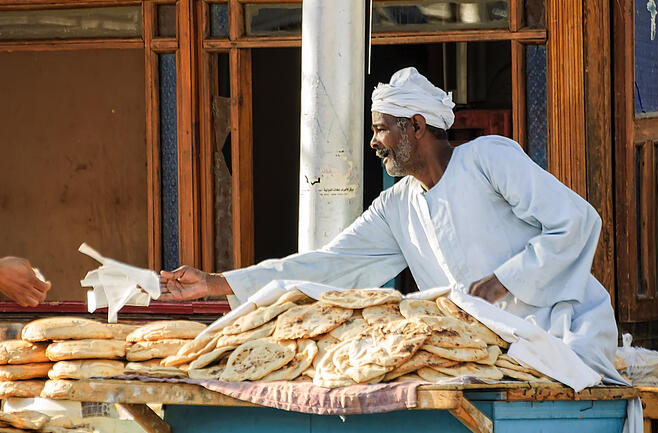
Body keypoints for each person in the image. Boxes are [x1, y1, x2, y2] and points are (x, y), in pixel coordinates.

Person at [159, 67, 619, 377]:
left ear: (417, 126)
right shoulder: (396, 206)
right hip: (489, 359)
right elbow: (327, 266)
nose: (374, 142)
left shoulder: (488, 159)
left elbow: (577, 221)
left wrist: (501, 282)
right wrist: (217, 283)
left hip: (563, 340)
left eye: (382, 128)